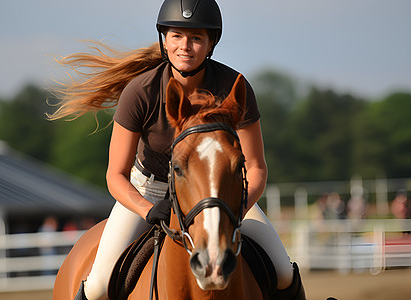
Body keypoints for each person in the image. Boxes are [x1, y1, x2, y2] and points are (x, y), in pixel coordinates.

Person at [50, 1, 304, 299]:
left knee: (283, 272)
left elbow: (256, 167)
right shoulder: (141, 92)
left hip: (220, 194)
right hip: (150, 193)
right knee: (97, 286)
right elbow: (115, 174)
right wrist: (147, 209)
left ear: (211, 43)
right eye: (177, 36)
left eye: (196, 38)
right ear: (164, 40)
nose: (186, 46)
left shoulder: (234, 86)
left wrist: (236, 209)